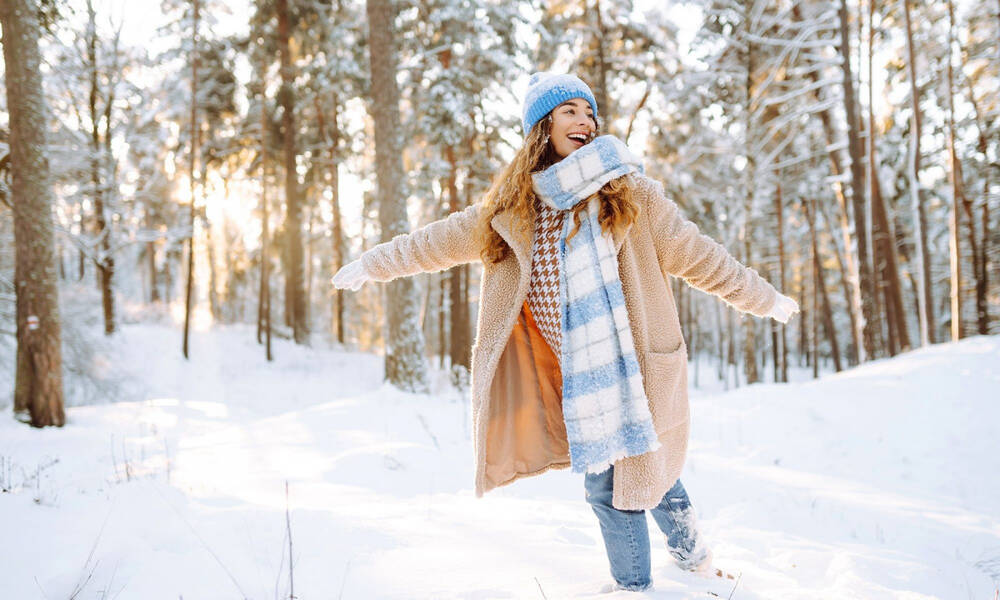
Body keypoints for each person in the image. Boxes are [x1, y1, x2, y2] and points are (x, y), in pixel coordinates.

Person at [333, 71, 798, 592]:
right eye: (569, 111)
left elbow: (700, 256)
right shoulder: (514, 211)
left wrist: (765, 298)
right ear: (542, 127)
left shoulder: (630, 195)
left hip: (639, 369)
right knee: (645, 467)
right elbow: (434, 241)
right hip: (576, 379)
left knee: (616, 485)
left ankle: (637, 588)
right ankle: (696, 563)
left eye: (588, 111)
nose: (585, 120)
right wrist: (373, 263)